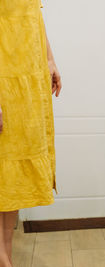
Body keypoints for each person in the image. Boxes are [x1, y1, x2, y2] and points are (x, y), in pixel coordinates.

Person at [0, 1, 61, 266]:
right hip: (5, 80)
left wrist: (49, 59)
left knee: (13, 180)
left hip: (28, 77)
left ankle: (7, 256)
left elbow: (33, 16)